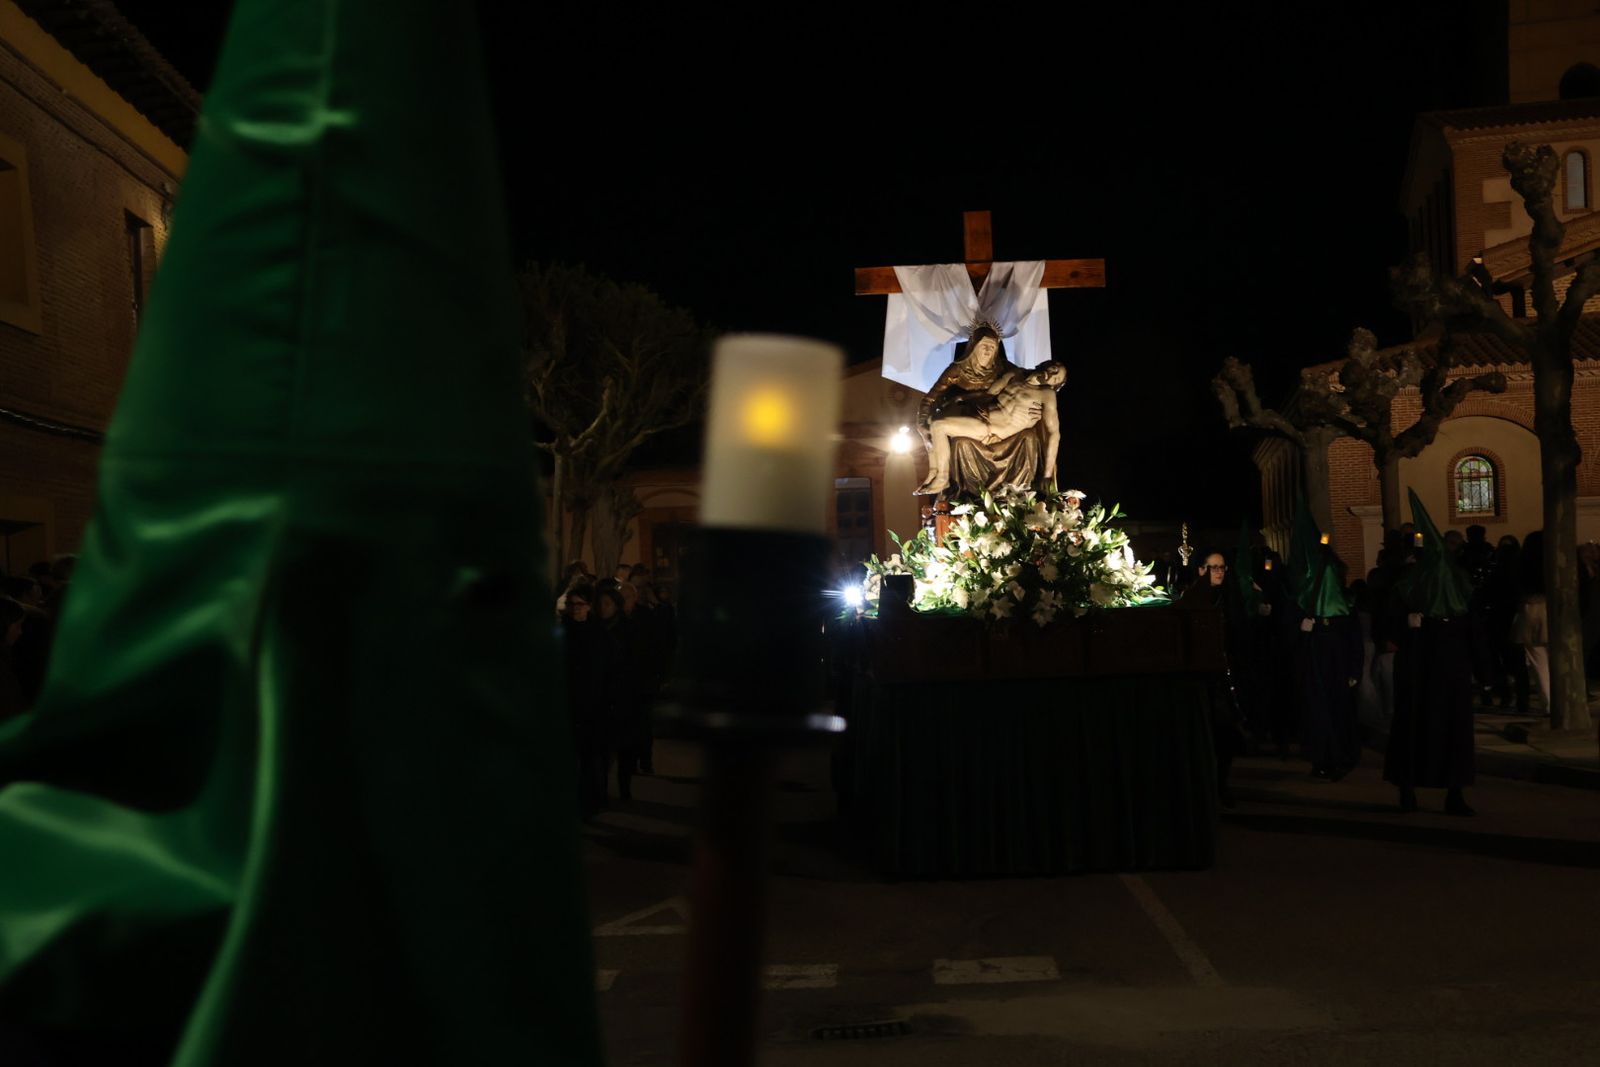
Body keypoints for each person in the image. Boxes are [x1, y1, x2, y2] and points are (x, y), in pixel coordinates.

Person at [1383, 493, 1476, 816]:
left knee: (1451, 729)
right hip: (1421, 664)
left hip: (1445, 664)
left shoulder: (1454, 584)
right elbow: (1391, 624)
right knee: (1416, 725)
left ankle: (1452, 791)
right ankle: (1411, 789)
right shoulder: (1408, 584)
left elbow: (1472, 625)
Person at [915, 326, 1054, 499]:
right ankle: (958, 490)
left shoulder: (1005, 368)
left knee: (1029, 437)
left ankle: (1022, 496)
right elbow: (930, 399)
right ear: (973, 347)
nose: (988, 350)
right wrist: (921, 425)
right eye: (984, 345)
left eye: (992, 346)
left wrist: (1038, 409)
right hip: (970, 421)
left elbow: (1031, 384)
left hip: (1000, 426)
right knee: (957, 441)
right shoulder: (957, 370)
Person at [1181, 549, 1251, 806]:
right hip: (1202, 681)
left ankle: (1221, 786)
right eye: (1213, 567)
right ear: (1201, 570)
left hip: (1224, 677)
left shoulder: (1229, 598)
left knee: (1225, 738)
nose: (1219, 572)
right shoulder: (1192, 600)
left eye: (1222, 567)